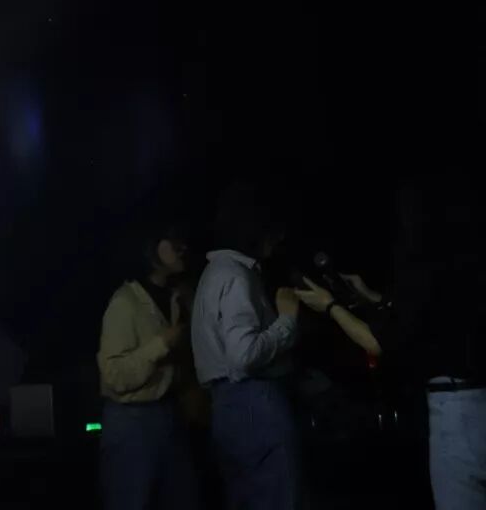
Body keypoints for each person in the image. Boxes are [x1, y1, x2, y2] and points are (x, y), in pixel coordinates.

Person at [296, 175, 486, 510]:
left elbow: (377, 342)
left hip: (455, 407)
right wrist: (372, 297)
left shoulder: (422, 259)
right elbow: (421, 315)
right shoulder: (461, 259)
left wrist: (330, 305)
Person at [191, 182, 303, 510]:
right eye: (273, 230)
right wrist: (287, 320)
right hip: (254, 400)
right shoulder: (237, 275)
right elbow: (243, 356)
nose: (278, 239)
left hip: (226, 406)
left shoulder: (214, 273)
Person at [97, 219, 200, 510]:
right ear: (152, 249)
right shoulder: (125, 302)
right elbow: (114, 375)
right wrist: (162, 344)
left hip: (169, 415)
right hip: (133, 421)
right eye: (172, 241)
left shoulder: (178, 297)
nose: (182, 247)